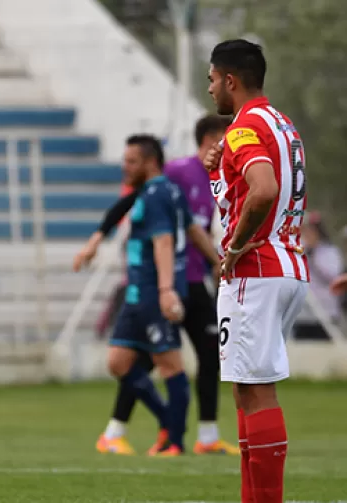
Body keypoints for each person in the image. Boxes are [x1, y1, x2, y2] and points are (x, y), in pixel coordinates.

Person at [76, 115, 239, 455]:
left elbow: (174, 237)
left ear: (149, 163)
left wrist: (206, 267)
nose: (125, 167)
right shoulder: (171, 180)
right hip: (145, 289)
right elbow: (181, 225)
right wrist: (96, 239)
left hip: (161, 288)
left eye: (131, 161)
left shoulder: (164, 191)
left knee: (177, 362)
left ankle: (178, 438)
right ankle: (162, 424)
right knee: (123, 361)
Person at [203, 39, 310, 503]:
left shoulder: (245, 127)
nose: (208, 89)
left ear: (230, 79)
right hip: (288, 264)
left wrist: (235, 246)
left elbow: (262, 189)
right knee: (247, 389)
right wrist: (217, 168)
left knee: (257, 391)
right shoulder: (281, 123)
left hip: (256, 268)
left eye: (211, 79)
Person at [292, 212, 342, 340]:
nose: (308, 234)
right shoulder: (298, 250)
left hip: (326, 313)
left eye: (311, 230)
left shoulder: (330, 252)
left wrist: (312, 256)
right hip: (304, 315)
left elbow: (332, 277)